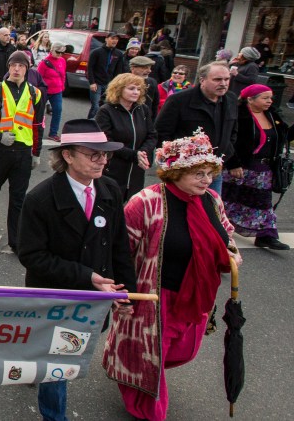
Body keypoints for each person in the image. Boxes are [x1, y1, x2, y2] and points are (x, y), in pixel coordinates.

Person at [103, 130, 241, 421]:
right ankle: (148, 407)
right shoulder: (145, 202)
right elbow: (120, 250)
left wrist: (231, 252)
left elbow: (226, 234)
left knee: (184, 351)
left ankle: (136, 366)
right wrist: (119, 293)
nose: (206, 180)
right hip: (155, 296)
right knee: (152, 356)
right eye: (198, 174)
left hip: (196, 293)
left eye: (209, 173)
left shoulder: (212, 199)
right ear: (175, 172)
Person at [18, 119, 136, 421]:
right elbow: (32, 256)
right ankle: (53, 416)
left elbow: (119, 246)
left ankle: (36, 365)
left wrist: (127, 292)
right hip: (55, 297)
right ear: (68, 155)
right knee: (59, 361)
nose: (102, 161)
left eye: (104, 154)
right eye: (93, 154)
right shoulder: (39, 199)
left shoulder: (110, 189)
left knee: (65, 352)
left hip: (94, 299)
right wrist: (87, 276)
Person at [0, 51, 44, 251]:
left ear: (27, 69)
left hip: (23, 151)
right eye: (14, 65)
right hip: (0, 149)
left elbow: (38, 124)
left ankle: (15, 240)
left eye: (21, 65)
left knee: (19, 197)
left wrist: (36, 152)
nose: (17, 69)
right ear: (9, 67)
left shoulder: (35, 93)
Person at [222, 84, 291, 250]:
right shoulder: (239, 115)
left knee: (263, 204)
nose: (270, 101)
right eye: (265, 97)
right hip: (239, 167)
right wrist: (233, 163)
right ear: (250, 99)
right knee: (228, 201)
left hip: (264, 170)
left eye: (271, 97)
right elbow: (230, 141)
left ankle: (266, 236)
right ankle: (220, 231)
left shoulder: (273, 115)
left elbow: (285, 136)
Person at [155, 62, 237, 195]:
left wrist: (226, 153)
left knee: (210, 212)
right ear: (202, 80)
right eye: (217, 79)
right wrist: (176, 162)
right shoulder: (179, 100)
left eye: (226, 79)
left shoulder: (231, 99)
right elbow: (161, 133)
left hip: (214, 169)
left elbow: (233, 131)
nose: (223, 83)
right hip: (184, 172)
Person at [95, 74, 158, 201]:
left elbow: (152, 135)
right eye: (131, 88)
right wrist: (133, 155)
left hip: (136, 170)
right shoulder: (106, 111)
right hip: (113, 169)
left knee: (131, 206)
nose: (136, 92)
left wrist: (143, 152)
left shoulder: (143, 109)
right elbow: (106, 141)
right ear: (119, 89)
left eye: (139, 89)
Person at [85, 32, 125, 118]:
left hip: (110, 84)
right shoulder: (96, 52)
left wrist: (116, 84)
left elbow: (119, 71)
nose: (114, 41)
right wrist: (92, 82)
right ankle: (89, 125)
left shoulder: (119, 54)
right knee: (95, 106)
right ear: (106, 39)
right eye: (112, 38)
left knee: (106, 106)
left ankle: (100, 125)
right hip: (97, 83)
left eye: (116, 39)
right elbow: (90, 68)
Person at [38, 42, 67, 141]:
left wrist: (62, 86)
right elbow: (39, 77)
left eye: (61, 52)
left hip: (57, 90)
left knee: (58, 111)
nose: (59, 54)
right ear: (51, 51)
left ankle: (53, 133)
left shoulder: (62, 61)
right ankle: (37, 130)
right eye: (57, 52)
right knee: (39, 112)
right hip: (45, 91)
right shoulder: (44, 62)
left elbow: (63, 75)